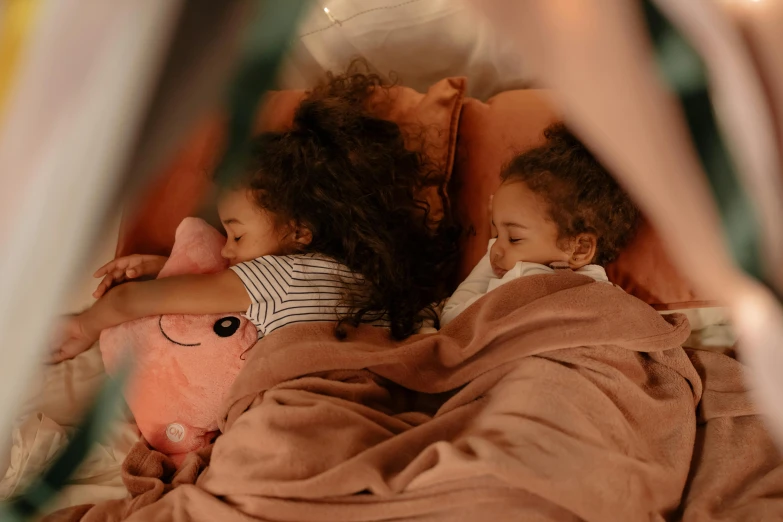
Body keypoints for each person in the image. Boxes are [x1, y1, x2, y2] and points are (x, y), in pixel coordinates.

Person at [51, 69, 458, 363]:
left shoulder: (277, 276)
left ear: (301, 231)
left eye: (237, 235)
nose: (226, 250)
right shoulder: (359, 278)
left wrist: (83, 327)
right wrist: (168, 267)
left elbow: (131, 301)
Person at [440, 122, 639, 326]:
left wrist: (490, 250)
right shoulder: (606, 291)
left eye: (514, 238)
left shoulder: (519, 281)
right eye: (496, 233)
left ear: (580, 248)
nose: (496, 251)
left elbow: (452, 318)